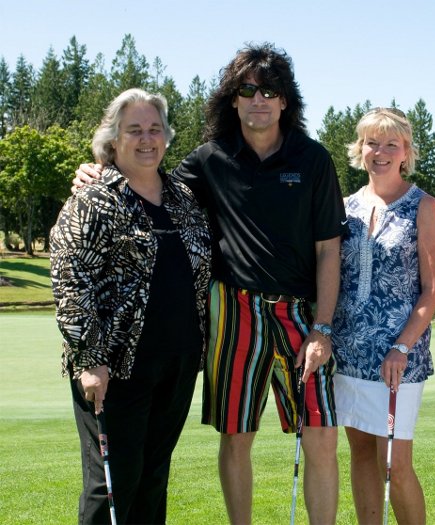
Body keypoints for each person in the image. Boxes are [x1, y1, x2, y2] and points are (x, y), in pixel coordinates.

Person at [73, 43, 345, 525]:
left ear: (285, 100)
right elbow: (146, 180)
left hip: (303, 316)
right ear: (233, 99)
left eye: (270, 90)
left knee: (321, 434)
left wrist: (323, 328)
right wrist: (98, 170)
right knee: (236, 436)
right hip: (234, 313)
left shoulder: (314, 159)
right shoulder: (209, 159)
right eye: (247, 90)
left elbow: (329, 249)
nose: (258, 99)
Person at [51, 88, 212, 524]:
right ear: (113, 139)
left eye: (155, 129)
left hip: (177, 363)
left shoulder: (184, 198)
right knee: (112, 483)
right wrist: (90, 359)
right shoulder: (92, 199)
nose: (147, 139)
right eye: (134, 130)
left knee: (154, 476)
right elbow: (70, 281)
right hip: (113, 367)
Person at [332, 108, 435, 524]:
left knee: (394, 466)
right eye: (371, 142)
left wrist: (402, 345)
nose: (379, 151)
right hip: (348, 353)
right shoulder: (344, 207)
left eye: (390, 144)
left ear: (405, 153)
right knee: (361, 455)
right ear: (360, 149)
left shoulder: (424, 206)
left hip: (398, 358)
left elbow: (433, 288)